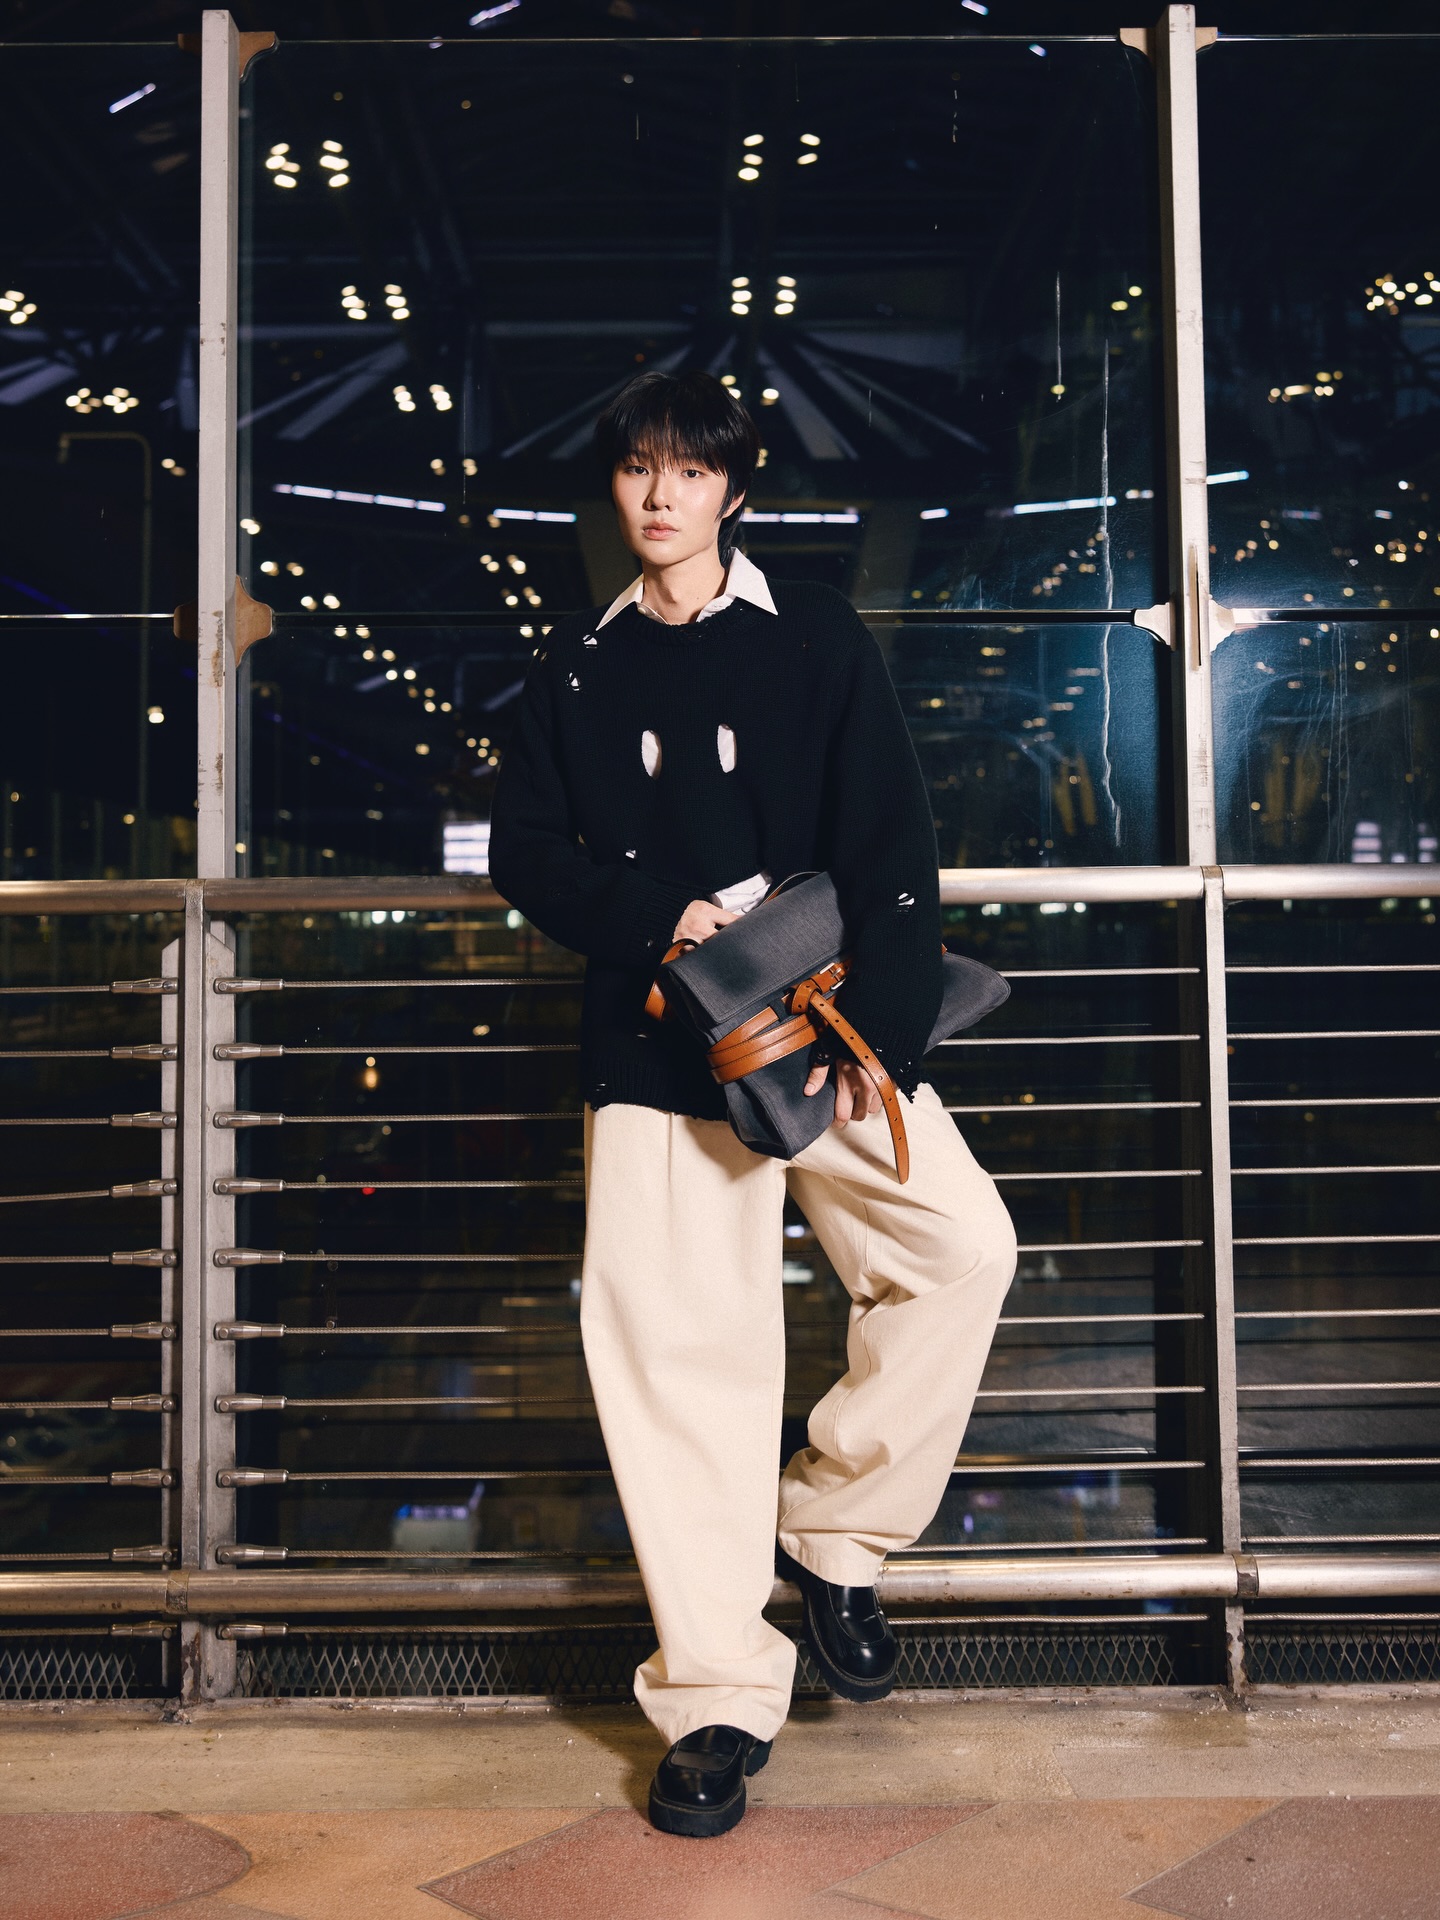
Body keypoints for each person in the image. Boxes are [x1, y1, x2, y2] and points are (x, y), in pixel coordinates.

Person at [488, 370, 1016, 1838]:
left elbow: (892, 836)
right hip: (658, 1049)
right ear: (615, 488)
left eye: (690, 470)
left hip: (824, 1025)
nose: (661, 495)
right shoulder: (576, 667)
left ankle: (836, 1533)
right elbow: (525, 852)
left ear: (734, 487)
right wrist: (661, 916)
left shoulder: (815, 636)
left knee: (961, 1249)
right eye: (637, 469)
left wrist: (883, 1039)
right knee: (681, 1364)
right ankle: (716, 1699)